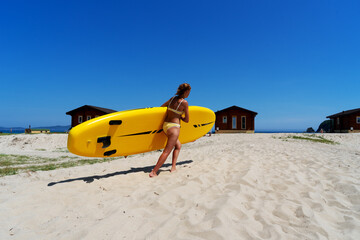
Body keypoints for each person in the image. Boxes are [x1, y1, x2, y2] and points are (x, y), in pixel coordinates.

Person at [149, 83, 191, 177]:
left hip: (165, 126)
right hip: (174, 128)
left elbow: (161, 108)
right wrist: (180, 116)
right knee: (167, 151)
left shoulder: (172, 99)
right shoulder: (184, 103)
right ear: (186, 92)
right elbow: (187, 120)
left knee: (178, 146)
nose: (189, 94)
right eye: (189, 92)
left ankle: (173, 167)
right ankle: (154, 172)